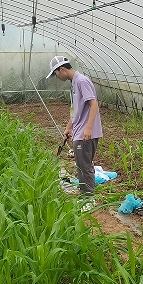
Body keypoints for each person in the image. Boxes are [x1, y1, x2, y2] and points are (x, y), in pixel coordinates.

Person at [47, 56, 102, 198]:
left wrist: (88, 128)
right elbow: (74, 109)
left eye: (56, 73)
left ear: (62, 69)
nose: (56, 77)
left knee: (84, 166)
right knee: (82, 164)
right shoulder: (74, 83)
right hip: (79, 131)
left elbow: (93, 104)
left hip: (85, 132)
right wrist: (68, 127)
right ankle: (85, 194)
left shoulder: (82, 81)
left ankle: (88, 198)